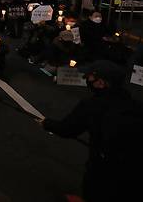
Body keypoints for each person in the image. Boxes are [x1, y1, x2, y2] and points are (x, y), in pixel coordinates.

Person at [40, 60, 143, 202]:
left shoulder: (92, 105)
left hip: (105, 169)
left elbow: (67, 129)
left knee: (97, 190)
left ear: (101, 83)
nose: (88, 79)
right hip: (135, 170)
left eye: (91, 77)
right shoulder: (132, 103)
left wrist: (46, 123)